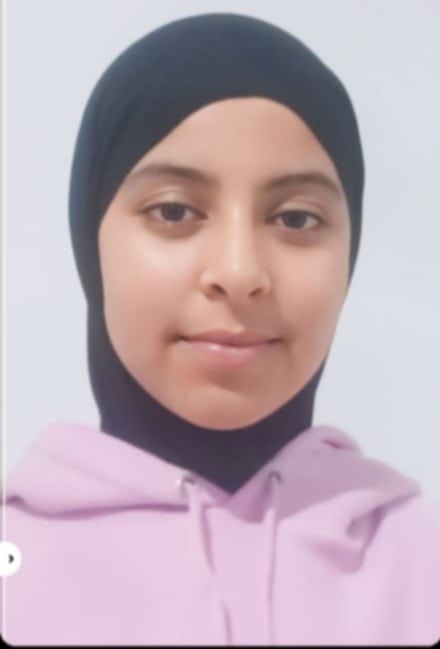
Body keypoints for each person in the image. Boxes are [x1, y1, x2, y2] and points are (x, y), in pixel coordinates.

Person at [1, 12, 439, 646]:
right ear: (90, 242)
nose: (239, 273)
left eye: (295, 219)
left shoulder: (419, 559)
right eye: (174, 210)